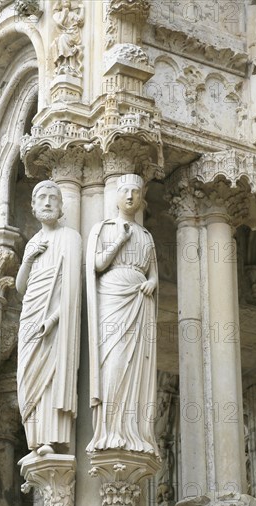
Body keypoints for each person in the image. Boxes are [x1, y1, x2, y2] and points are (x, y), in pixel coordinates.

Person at [86, 174, 159, 454]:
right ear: (116, 196)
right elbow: (97, 264)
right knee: (113, 363)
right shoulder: (103, 229)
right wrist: (119, 240)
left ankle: (134, 431)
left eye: (136, 193)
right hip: (112, 299)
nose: (130, 197)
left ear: (142, 199)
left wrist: (152, 282)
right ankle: (108, 430)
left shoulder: (147, 236)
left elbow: (153, 272)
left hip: (139, 301)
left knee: (136, 367)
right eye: (125, 191)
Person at [16, 180, 82, 456]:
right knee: (27, 377)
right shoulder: (32, 243)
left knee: (50, 375)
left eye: (53, 198)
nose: (47, 202)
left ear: (61, 205)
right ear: (32, 206)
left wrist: (54, 319)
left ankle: (50, 439)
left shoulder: (70, 238)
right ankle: (33, 439)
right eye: (41, 198)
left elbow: (73, 289)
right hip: (30, 316)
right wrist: (28, 259)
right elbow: (21, 288)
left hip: (54, 322)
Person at [52, 0, 84, 76]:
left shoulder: (73, 14)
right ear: (60, 4)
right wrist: (64, 15)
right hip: (64, 34)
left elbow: (81, 21)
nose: (66, 1)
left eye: (68, 0)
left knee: (63, 38)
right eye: (64, 0)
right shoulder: (57, 15)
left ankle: (71, 66)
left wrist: (82, 9)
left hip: (73, 34)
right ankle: (63, 65)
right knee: (61, 39)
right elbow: (59, 24)